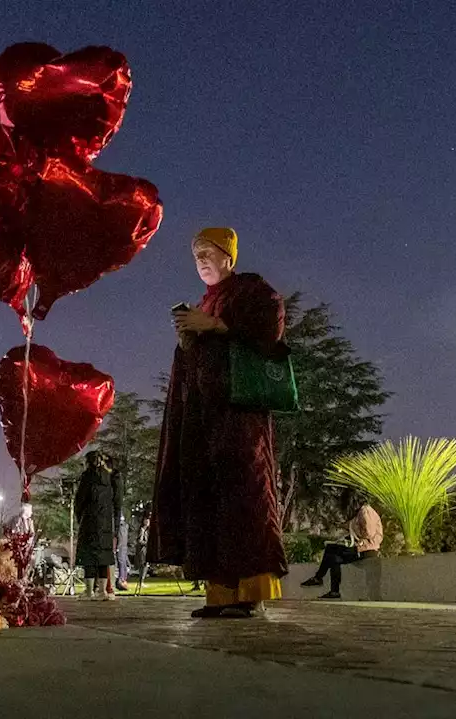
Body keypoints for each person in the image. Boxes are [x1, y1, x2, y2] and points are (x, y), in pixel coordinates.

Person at [148, 227, 291, 619]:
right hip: (205, 422)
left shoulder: (251, 291)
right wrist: (188, 341)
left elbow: (271, 325)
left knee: (245, 497)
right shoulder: (205, 302)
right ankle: (221, 594)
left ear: (228, 256)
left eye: (207, 253)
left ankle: (251, 593)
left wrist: (212, 326)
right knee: (208, 502)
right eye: (195, 256)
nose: (201, 262)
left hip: (240, 417)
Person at [302, 492, 383, 599]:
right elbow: (352, 525)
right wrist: (340, 525)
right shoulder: (361, 512)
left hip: (367, 550)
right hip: (362, 549)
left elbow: (369, 532)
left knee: (331, 549)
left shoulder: (365, 511)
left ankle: (319, 578)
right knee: (334, 558)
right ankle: (333, 591)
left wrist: (357, 537)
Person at [75, 451, 122, 600]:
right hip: (107, 523)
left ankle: (89, 591)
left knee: (89, 556)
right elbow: (117, 502)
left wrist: (79, 518)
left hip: (90, 521)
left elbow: (79, 500)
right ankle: (103, 591)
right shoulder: (111, 478)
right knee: (104, 556)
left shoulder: (87, 477)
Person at [114, 511, 131, 592]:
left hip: (121, 547)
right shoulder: (125, 526)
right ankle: (123, 579)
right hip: (124, 547)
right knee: (123, 563)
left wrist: (117, 547)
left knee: (121, 563)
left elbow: (120, 537)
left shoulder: (120, 527)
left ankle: (121, 580)